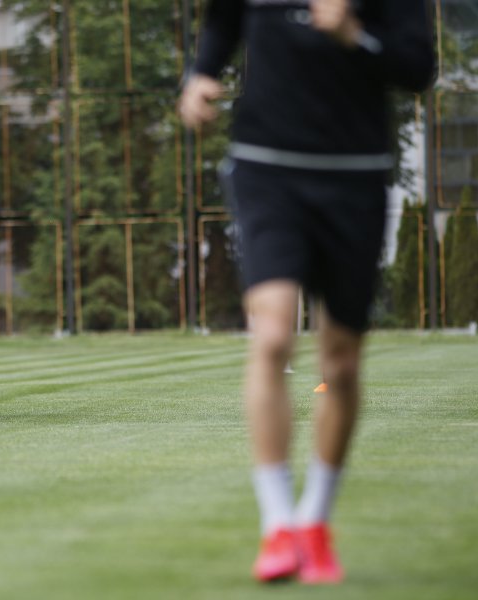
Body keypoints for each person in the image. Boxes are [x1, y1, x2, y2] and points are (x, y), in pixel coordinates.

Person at [178, 0, 434, 585]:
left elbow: (418, 68)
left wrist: (353, 34)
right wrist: (201, 75)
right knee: (270, 336)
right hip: (266, 166)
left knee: (340, 362)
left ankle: (314, 522)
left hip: (356, 174)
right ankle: (277, 528)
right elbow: (224, 20)